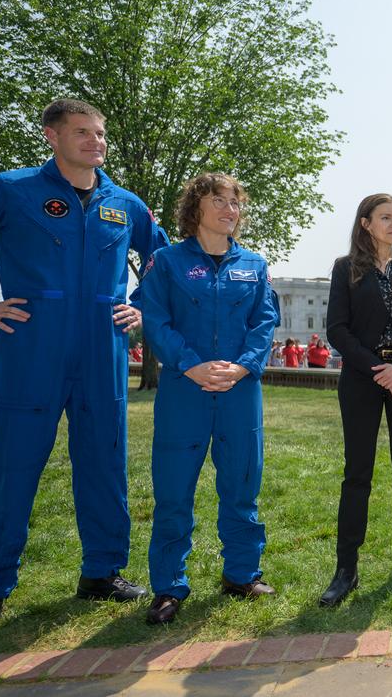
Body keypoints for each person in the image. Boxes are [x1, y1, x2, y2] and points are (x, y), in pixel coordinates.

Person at [0, 98, 167, 642]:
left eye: (99, 133)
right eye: (81, 132)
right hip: (31, 345)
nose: (95, 142)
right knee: (12, 467)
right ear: (51, 135)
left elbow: (161, 260)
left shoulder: (125, 202)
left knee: (105, 462)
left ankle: (101, 572)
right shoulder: (10, 189)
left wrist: (142, 302)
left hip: (104, 348)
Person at [140, 173, 278, 625]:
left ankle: (241, 573)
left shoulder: (254, 266)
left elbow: (264, 322)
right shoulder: (166, 261)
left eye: (235, 202)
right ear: (195, 208)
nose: (229, 209)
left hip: (240, 392)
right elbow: (155, 319)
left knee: (241, 486)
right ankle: (168, 585)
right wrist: (189, 363)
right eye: (218, 200)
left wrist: (242, 366)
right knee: (174, 491)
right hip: (186, 390)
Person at [321, 193, 392, 606]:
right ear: (366, 224)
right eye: (385, 217)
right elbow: (338, 329)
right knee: (357, 473)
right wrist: (378, 371)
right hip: (362, 378)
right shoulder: (345, 269)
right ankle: (346, 569)